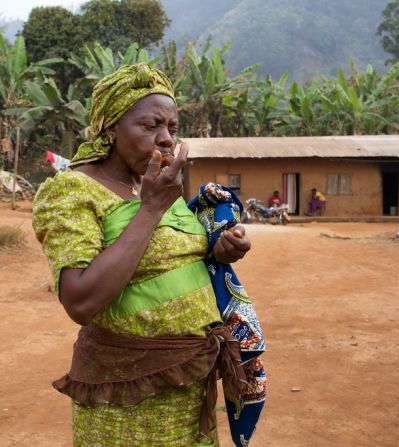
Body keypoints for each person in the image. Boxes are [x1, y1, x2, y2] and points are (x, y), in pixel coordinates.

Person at [32, 64, 252, 446]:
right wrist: (150, 208)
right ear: (111, 128)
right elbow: (79, 300)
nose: (166, 139)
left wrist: (219, 249)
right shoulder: (73, 191)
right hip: (126, 393)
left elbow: (169, 258)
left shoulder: (154, 184)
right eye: (150, 126)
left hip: (189, 379)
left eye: (172, 128)